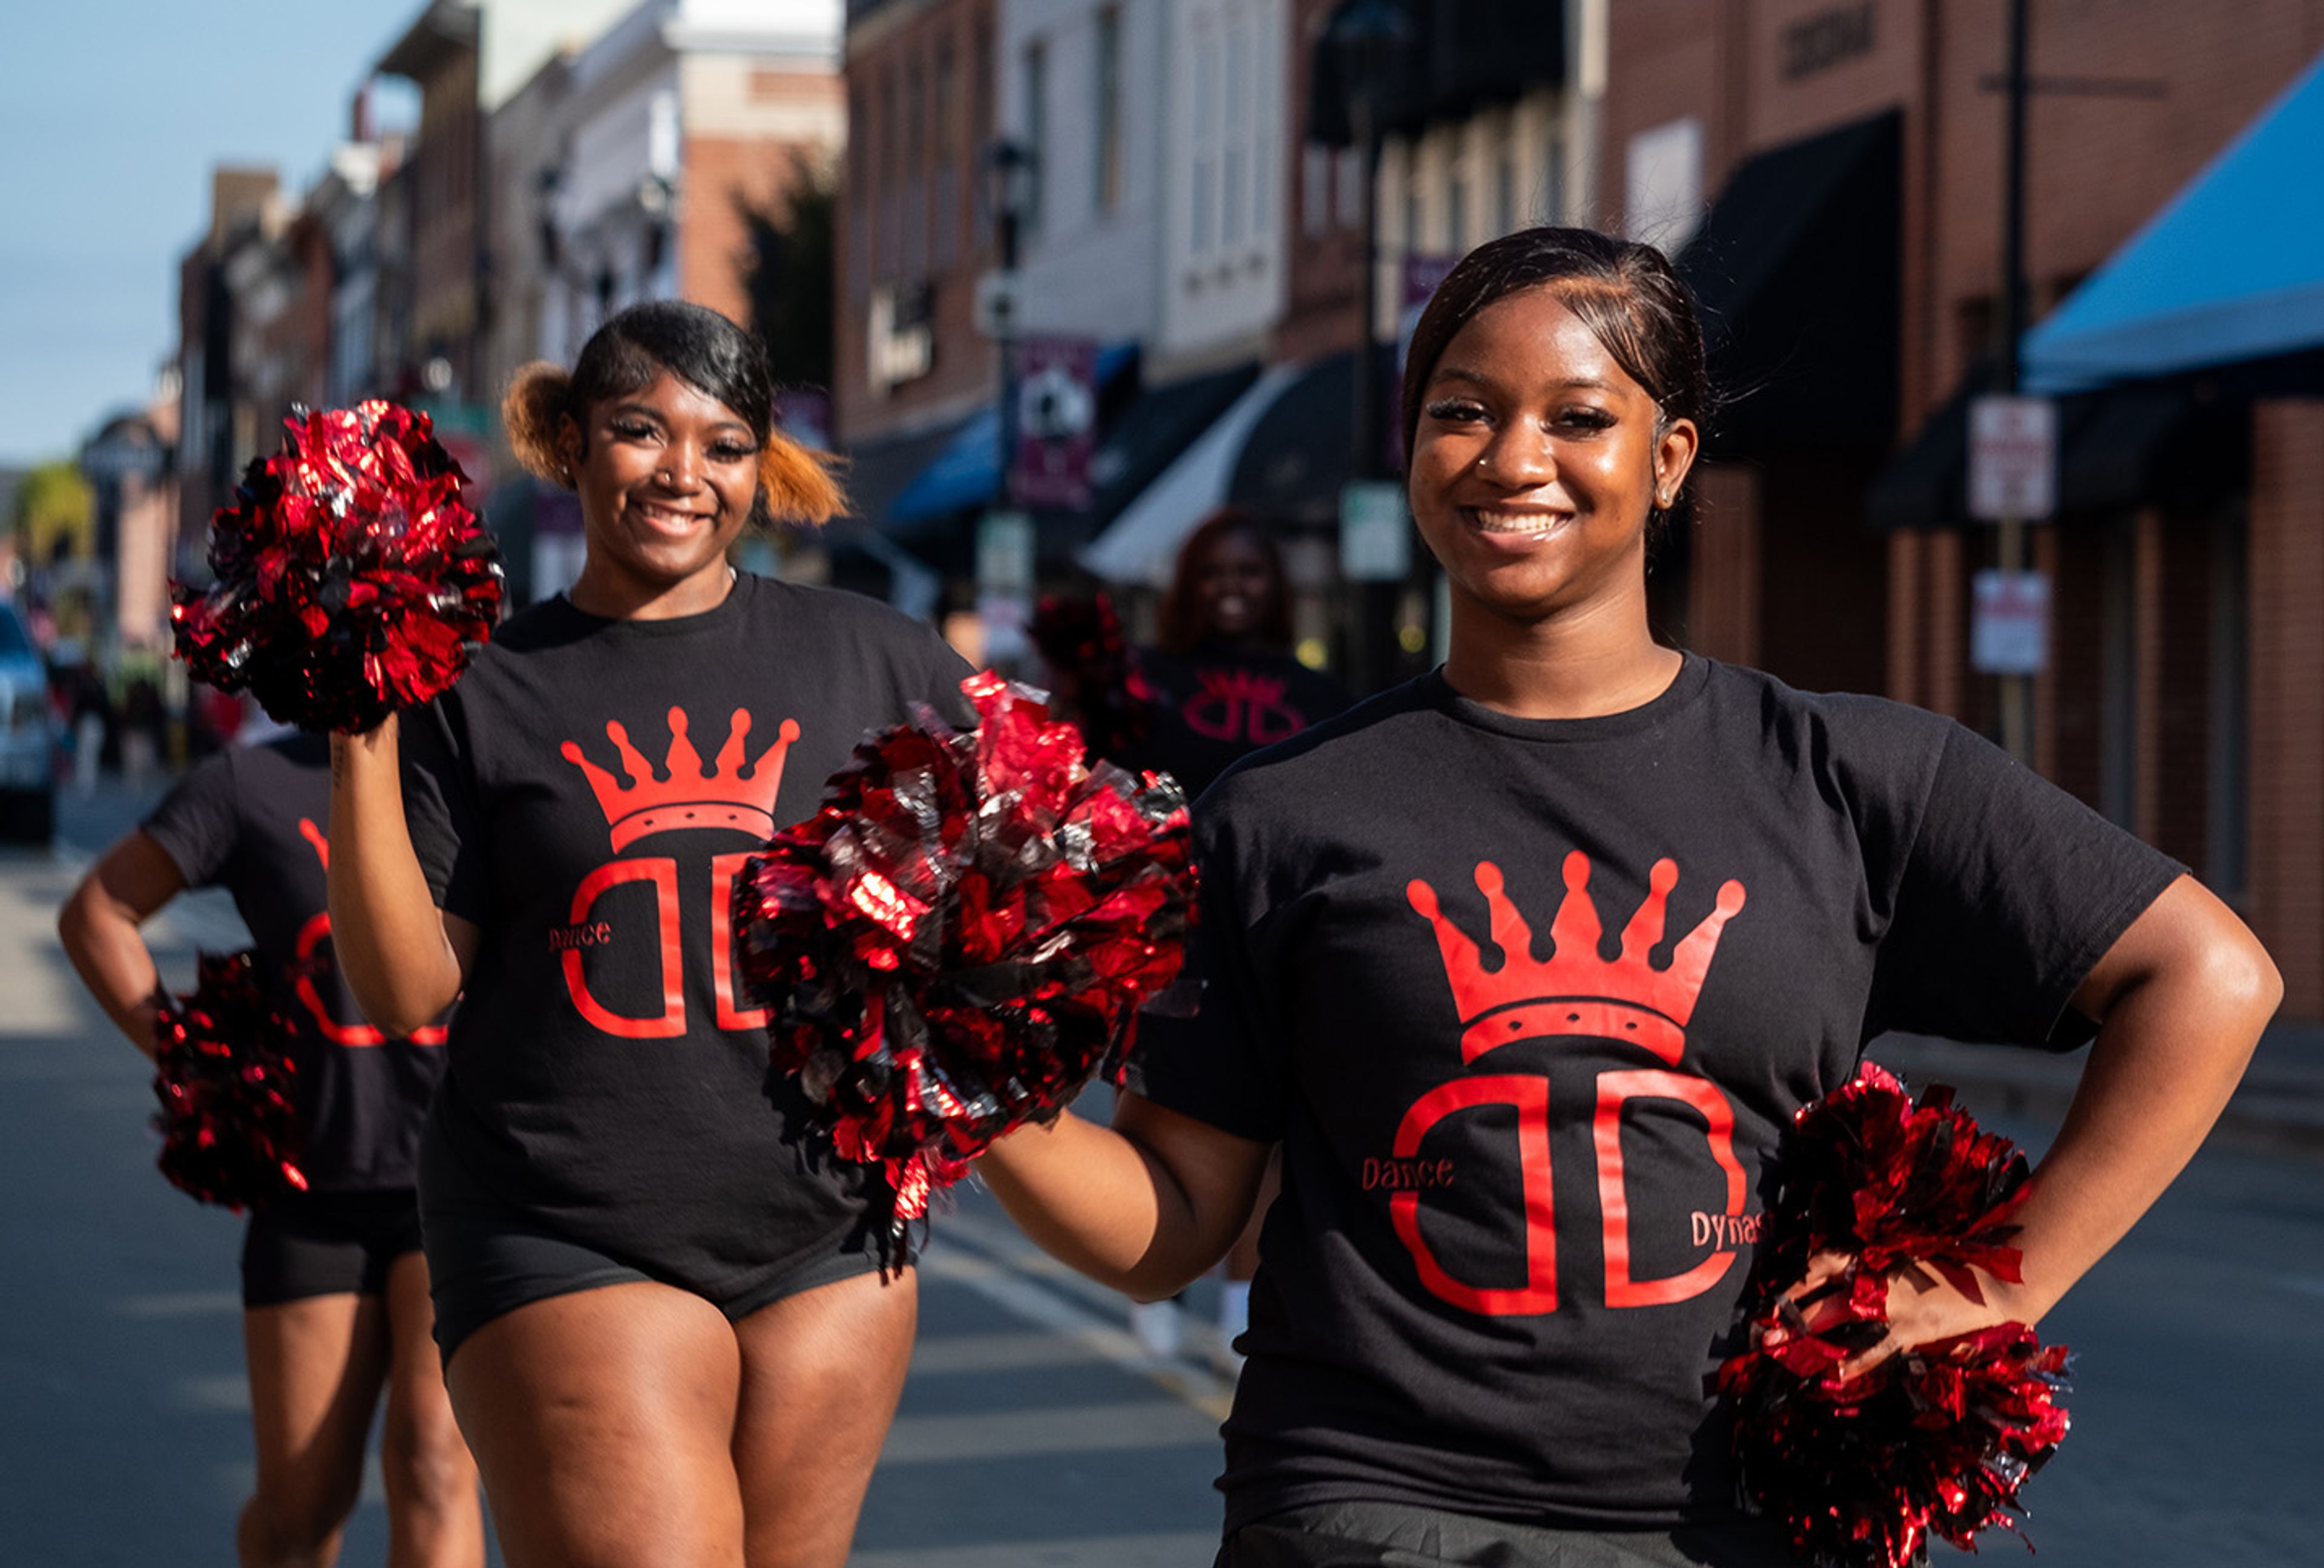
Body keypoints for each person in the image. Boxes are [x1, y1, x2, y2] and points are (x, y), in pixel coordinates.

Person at [975, 226, 2279, 1566]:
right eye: (1461, 413)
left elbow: (2210, 979)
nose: (1512, 459)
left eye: (1578, 416)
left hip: (1738, 1525)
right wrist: (957, 1086)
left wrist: (1995, 1280)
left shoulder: (1855, 776)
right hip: (1369, 1512)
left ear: (1670, 460)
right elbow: (1174, 1222)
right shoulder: (1278, 812)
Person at [327, 300, 974, 1568]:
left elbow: (1041, 879)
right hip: (564, 1229)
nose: (685, 473)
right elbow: (406, 993)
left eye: (726, 444)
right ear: (572, 443)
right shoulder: (477, 690)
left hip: (831, 1241)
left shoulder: (880, 659)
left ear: (761, 466)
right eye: (641, 430)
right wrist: (360, 735)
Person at [57, 730, 482, 1568]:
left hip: (465, 1188)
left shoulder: (476, 767)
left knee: (434, 1463)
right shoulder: (248, 785)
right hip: (314, 1187)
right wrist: (200, 1064)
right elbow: (96, 914)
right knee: (301, 1509)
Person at [1124, 511, 1346, 1366]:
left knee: (1272, 1130)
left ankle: (1237, 1305)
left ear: (1277, 589)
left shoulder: (1318, 694)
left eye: (1249, 573)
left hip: (1278, 931)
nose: (1231, 588)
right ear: (1188, 584)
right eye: (1214, 572)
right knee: (1168, 1109)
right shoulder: (1144, 682)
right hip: (1165, 930)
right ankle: (1156, 1288)